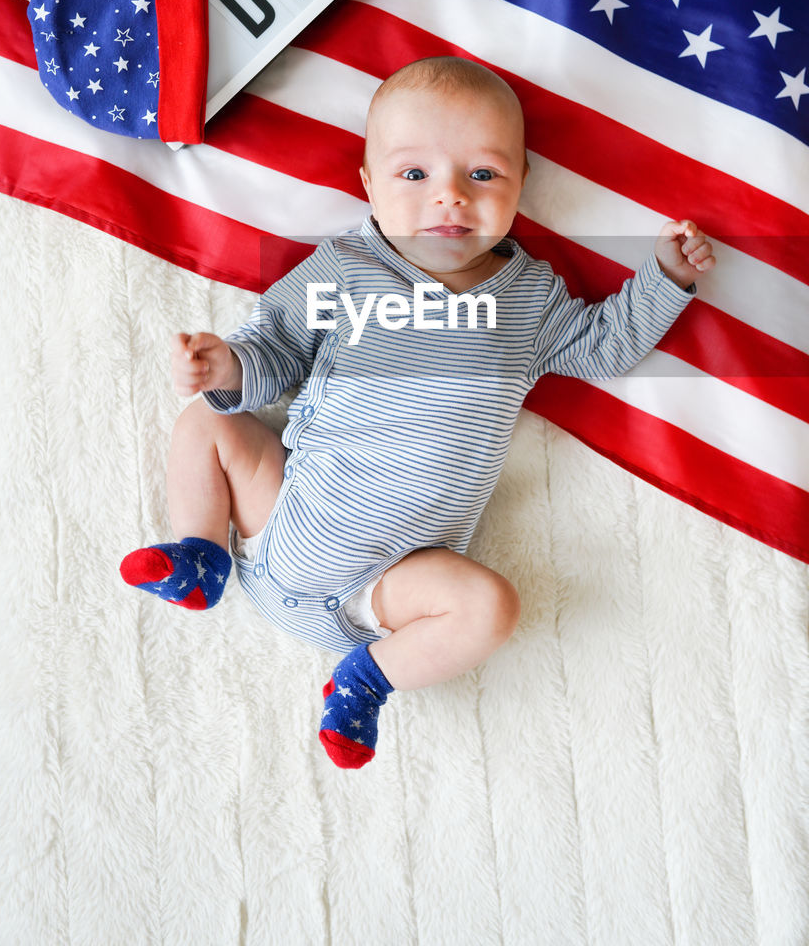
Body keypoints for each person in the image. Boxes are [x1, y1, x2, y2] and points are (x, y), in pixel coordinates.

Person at [120, 56, 715, 769]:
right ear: (369, 185)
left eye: (483, 176)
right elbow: (275, 347)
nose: (450, 200)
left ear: (521, 182)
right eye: (415, 176)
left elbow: (604, 346)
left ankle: (367, 680)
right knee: (205, 421)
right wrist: (227, 368)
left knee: (490, 606)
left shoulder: (527, 299)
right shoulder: (345, 268)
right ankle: (200, 552)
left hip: (391, 589)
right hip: (281, 514)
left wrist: (667, 279)